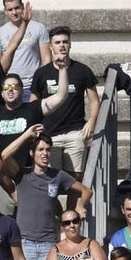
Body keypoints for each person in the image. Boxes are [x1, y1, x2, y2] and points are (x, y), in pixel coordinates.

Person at [2, 132, 93, 260]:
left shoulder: (58, 175)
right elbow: (5, 155)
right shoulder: (22, 175)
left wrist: (80, 206)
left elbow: (86, 191)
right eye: (40, 149)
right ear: (32, 153)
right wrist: (27, 135)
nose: (45, 153)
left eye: (48, 150)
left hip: (49, 242)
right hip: (25, 242)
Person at [30, 26, 100, 179]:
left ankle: (75, 204)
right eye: (57, 42)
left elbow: (94, 101)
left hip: (75, 132)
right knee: (50, 178)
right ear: (50, 46)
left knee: (76, 178)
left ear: (70, 44)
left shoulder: (83, 70)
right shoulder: (41, 73)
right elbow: (33, 102)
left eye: (65, 42)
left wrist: (92, 122)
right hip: (49, 134)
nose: (61, 45)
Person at [0, 66, 69, 164]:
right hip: (5, 171)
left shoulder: (33, 108)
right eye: (6, 87)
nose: (10, 90)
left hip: (29, 171)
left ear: (22, 91)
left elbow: (61, 96)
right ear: (2, 93)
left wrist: (62, 68)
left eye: (15, 87)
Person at [0, 0, 51, 95]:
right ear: (5, 11)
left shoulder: (39, 28)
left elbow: (47, 60)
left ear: (22, 6)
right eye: (10, 9)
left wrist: (42, 82)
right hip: (10, 87)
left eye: (17, 8)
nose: (14, 12)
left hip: (33, 86)